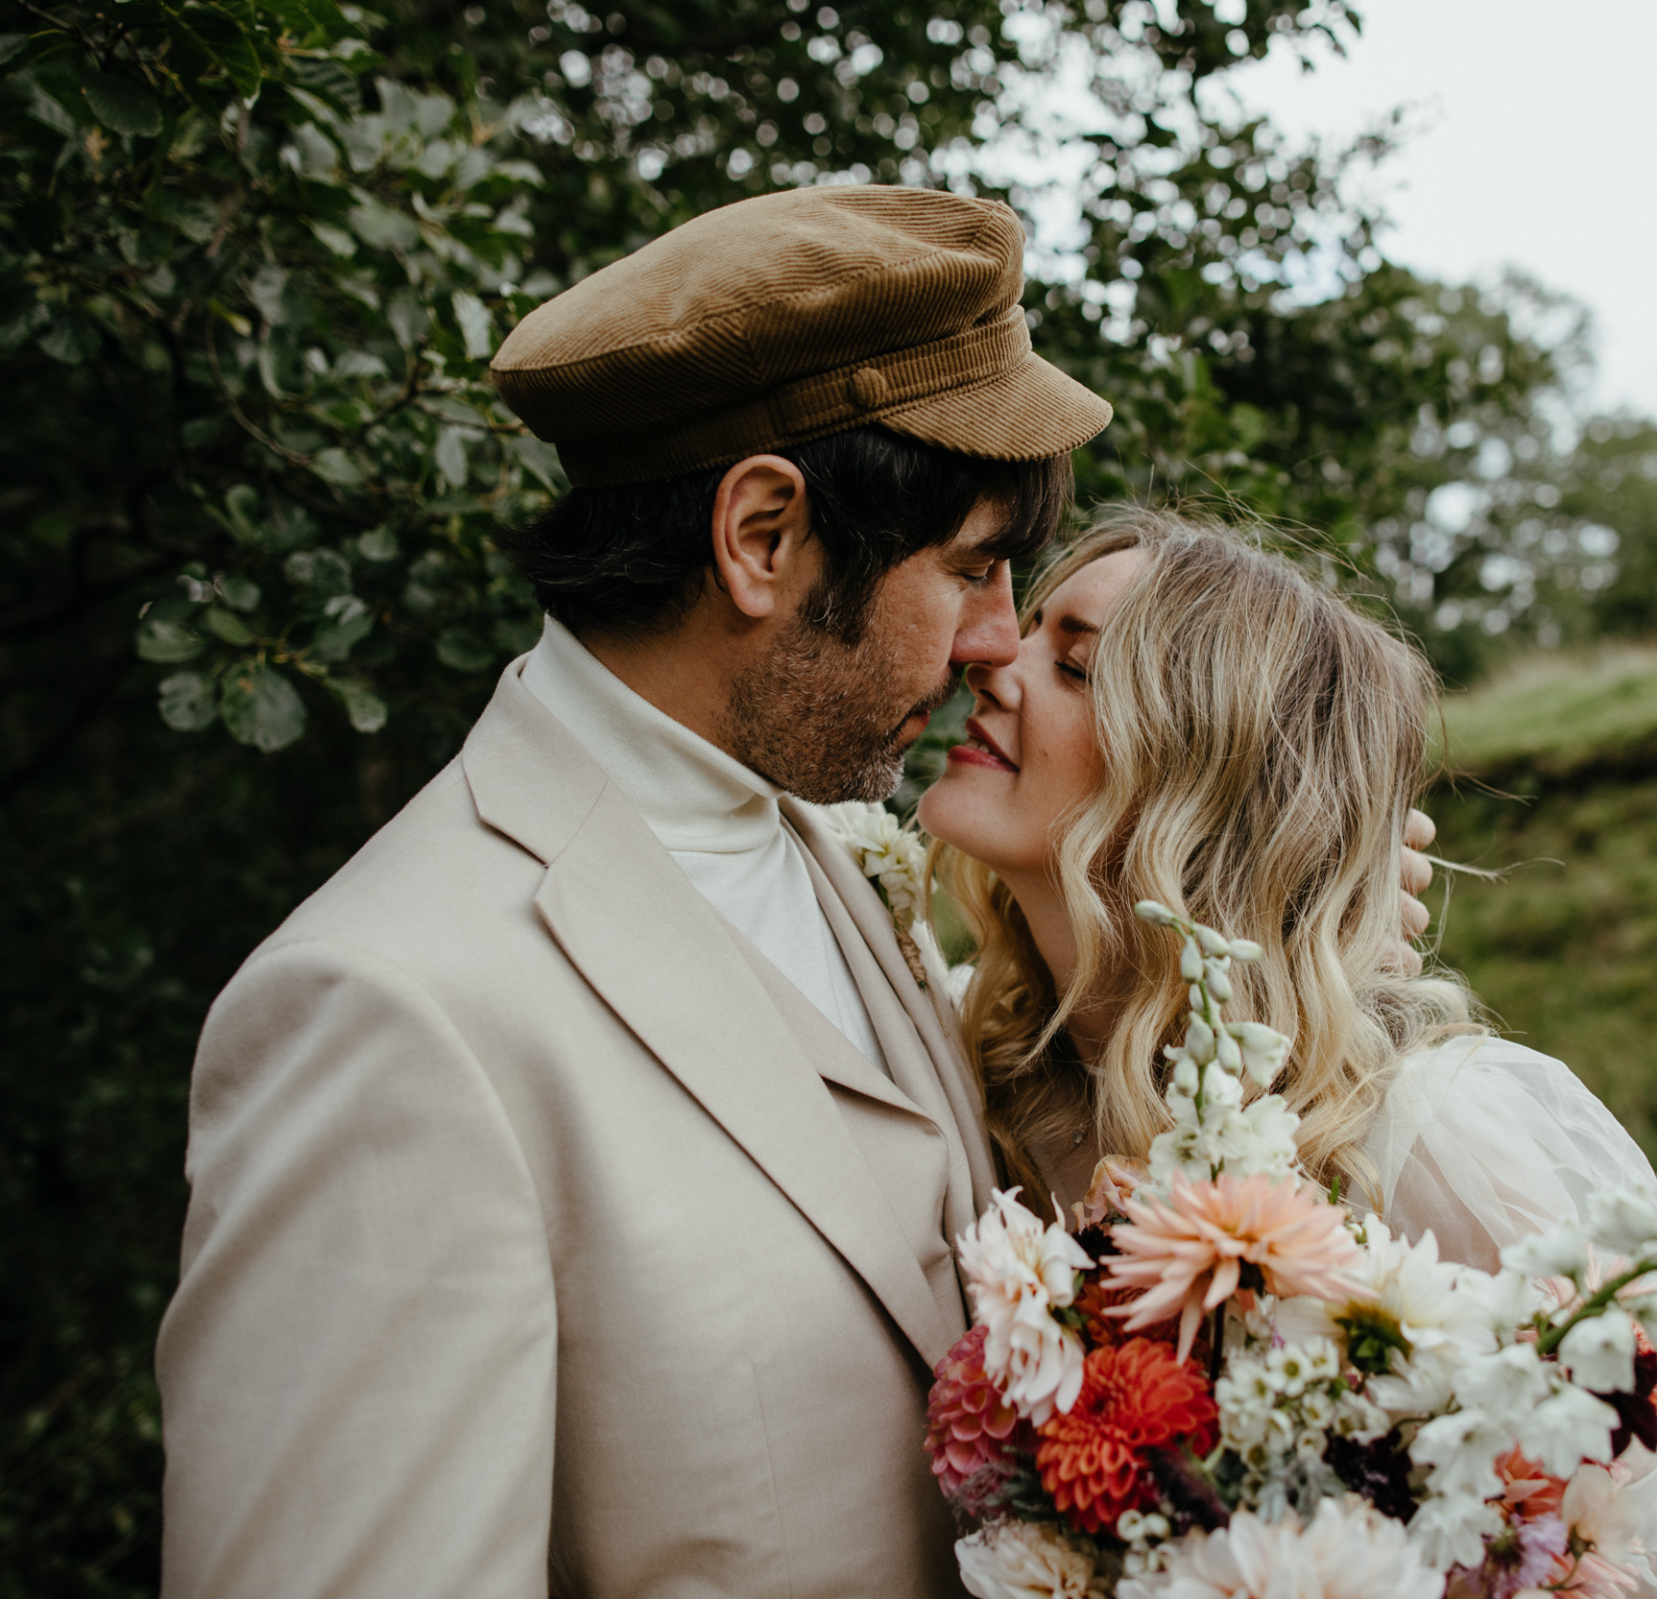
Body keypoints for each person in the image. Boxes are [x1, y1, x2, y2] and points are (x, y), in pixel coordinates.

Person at [154, 185, 1115, 1598]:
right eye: (971, 565)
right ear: (764, 536)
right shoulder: (388, 1010)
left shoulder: (830, 837)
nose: (996, 637)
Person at [917, 509, 1657, 1596]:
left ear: (1197, 775)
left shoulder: (1424, 1138)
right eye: (1026, 632)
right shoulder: (967, 1050)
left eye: (1076, 663)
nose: (992, 662)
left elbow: (1593, 1555)